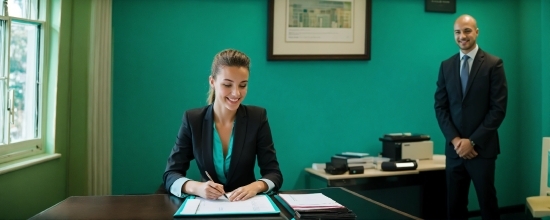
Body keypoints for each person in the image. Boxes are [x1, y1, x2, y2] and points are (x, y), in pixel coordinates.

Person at [163, 49, 283, 202]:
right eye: (227, 84)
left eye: (242, 85)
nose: (236, 93)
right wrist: (197, 187)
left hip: (246, 207)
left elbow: (274, 174)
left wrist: (255, 187)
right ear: (212, 82)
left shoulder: (257, 118)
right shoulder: (193, 120)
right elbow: (170, 174)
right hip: (208, 207)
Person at [434, 14, 508, 220]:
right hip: (455, 150)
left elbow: (498, 109)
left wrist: (472, 141)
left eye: (467, 31)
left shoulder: (494, 64)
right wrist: (457, 141)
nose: (462, 36)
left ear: (476, 32)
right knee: (454, 207)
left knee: (488, 205)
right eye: (457, 32)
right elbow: (440, 107)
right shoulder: (446, 66)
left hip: (482, 150)